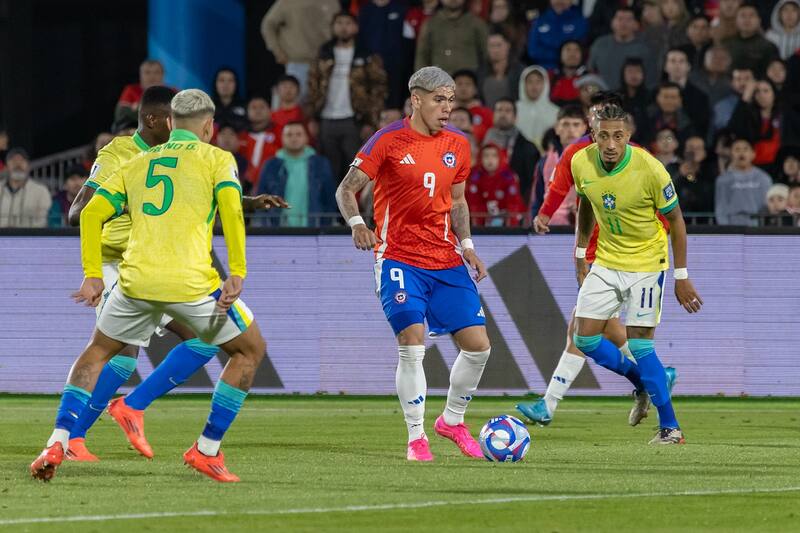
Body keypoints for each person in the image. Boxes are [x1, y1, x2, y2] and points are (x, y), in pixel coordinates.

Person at [30, 89, 270, 483]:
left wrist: (91, 273)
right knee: (249, 350)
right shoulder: (216, 158)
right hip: (189, 281)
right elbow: (230, 215)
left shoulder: (139, 163)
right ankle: (206, 449)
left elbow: (89, 215)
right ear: (208, 127)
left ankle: (59, 441)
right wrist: (237, 271)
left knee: (98, 352)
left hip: (135, 278)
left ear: (173, 123)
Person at [335, 67, 491, 462]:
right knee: (412, 342)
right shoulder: (387, 139)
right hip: (398, 257)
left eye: (451, 100)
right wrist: (357, 224)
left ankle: (452, 421)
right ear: (416, 99)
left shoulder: (458, 144)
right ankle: (416, 437)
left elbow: (458, 201)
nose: (448, 107)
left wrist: (468, 246)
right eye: (439, 99)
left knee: (478, 348)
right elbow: (346, 189)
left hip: (445, 258)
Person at [518, 94, 676, 428]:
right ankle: (654, 376)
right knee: (595, 328)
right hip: (597, 249)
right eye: (594, 121)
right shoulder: (578, 156)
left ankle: (549, 403)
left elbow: (661, 209)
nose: (606, 136)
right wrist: (549, 219)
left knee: (584, 328)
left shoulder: (634, 157)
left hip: (623, 252)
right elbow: (573, 196)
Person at [571, 104, 701, 445]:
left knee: (641, 344)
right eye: (603, 136)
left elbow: (676, 221)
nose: (611, 144)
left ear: (628, 135)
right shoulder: (580, 162)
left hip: (646, 264)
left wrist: (681, 275)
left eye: (618, 136)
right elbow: (586, 203)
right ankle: (641, 383)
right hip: (607, 260)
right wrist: (581, 252)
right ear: (593, 136)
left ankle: (671, 427)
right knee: (584, 339)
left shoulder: (650, 169)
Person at [307, 11, 388, 182]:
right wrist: (312, 116)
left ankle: (352, 200)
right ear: (333, 27)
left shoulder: (366, 55)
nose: (343, 28)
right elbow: (313, 85)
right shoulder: (324, 53)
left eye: (348, 23)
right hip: (327, 118)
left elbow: (378, 89)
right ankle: (331, 200)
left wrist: (370, 121)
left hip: (354, 119)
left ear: (356, 27)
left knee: (355, 169)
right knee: (329, 170)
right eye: (339, 23)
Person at [257, 121, 337, 227]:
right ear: (282, 138)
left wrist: (325, 227)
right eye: (289, 135)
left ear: (306, 138)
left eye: (298, 134)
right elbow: (261, 201)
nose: (294, 138)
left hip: (314, 229)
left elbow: (330, 199)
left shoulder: (320, 164)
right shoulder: (271, 165)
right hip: (278, 230)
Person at [261, 0, 340, 99]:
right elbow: (268, 25)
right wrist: (277, 51)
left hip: (328, 63)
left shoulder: (332, 2)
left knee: (329, 103)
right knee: (297, 102)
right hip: (299, 63)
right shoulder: (288, 2)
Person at [529, 105, 587, 223]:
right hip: (551, 227)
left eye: (576, 125)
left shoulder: (594, 158)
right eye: (565, 124)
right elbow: (537, 199)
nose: (571, 130)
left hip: (584, 226)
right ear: (557, 128)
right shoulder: (545, 161)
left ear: (584, 128)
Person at [484, 98, 541, 204]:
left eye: (507, 111)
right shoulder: (483, 141)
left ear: (515, 118)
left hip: (516, 203)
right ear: (493, 115)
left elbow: (532, 183)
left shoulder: (528, 149)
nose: (503, 114)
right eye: (499, 110)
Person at [587, 7, 657, 91]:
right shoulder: (599, 44)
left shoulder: (645, 49)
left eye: (628, 20)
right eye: (619, 19)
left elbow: (651, 81)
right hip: (603, 96)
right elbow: (590, 74)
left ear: (635, 24)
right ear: (612, 22)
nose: (623, 24)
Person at [414, 0, 488, 75]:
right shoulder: (430, 24)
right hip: (439, 79)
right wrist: (422, 79)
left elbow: (486, 54)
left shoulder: (477, 23)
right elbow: (421, 56)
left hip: (469, 79)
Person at [357, 0, 407, 108]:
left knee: (393, 108)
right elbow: (359, 40)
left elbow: (408, 42)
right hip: (370, 68)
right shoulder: (365, 11)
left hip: (396, 68)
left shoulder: (401, 8)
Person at [715, 137, 773, 225]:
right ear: (731, 154)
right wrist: (725, 229)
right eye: (737, 149)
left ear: (753, 154)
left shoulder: (763, 178)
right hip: (732, 226)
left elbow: (768, 205)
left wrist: (763, 226)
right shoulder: (723, 180)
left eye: (745, 149)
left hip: (757, 226)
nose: (741, 153)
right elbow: (721, 208)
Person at [465, 143, 525, 226]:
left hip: (506, 222)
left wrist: (511, 229)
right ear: (480, 158)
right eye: (486, 156)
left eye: (494, 156)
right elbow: (474, 204)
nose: (490, 160)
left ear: (500, 158)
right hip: (481, 223)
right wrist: (477, 229)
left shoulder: (509, 176)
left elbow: (513, 205)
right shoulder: (474, 176)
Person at [729, 79, 782, 167]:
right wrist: (745, 99)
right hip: (752, 166)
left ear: (774, 94)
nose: (761, 95)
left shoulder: (783, 115)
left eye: (766, 91)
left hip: (778, 166)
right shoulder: (748, 115)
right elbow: (733, 128)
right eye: (757, 91)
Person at [663, 48, 712, 138]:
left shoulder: (700, 97)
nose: (677, 65)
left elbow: (702, 126)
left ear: (688, 66)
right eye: (673, 61)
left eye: (681, 61)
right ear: (665, 66)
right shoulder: (655, 93)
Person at [527, 0, 588, 71]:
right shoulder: (539, 19)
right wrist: (561, 55)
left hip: (571, 71)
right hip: (544, 70)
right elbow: (533, 51)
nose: (560, 1)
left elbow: (579, 51)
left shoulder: (580, 20)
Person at [723, 4, 780, 77]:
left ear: (759, 20)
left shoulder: (769, 47)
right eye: (743, 16)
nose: (747, 20)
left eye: (751, 16)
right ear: (735, 20)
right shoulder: (725, 45)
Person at [0, 148, 52, 228]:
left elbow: (43, 220)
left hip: (29, 235)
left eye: (22, 160)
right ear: (6, 167)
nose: (18, 164)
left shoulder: (41, 191)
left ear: (28, 166)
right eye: (13, 161)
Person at [476, 30, 525, 109]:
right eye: (492, 46)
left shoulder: (520, 71)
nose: (495, 50)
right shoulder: (480, 72)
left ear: (508, 46)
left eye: (499, 45)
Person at [516, 66, 559, 150]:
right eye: (530, 82)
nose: (534, 86)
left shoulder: (556, 112)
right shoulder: (514, 110)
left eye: (538, 81)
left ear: (545, 84)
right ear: (523, 84)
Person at [240, 96, 279, 189]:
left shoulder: (280, 133)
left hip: (272, 185)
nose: (258, 111)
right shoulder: (240, 136)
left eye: (262, 107)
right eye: (254, 107)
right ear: (247, 112)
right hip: (243, 186)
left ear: (270, 111)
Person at [114, 59, 165, 127]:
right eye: (147, 72)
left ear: (163, 74)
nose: (152, 76)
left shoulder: (172, 91)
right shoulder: (131, 90)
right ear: (140, 75)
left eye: (156, 72)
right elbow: (121, 115)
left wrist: (138, 108)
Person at [675, 135, 717, 213]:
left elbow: (708, 197)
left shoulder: (710, 172)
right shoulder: (674, 168)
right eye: (691, 147)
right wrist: (680, 175)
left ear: (704, 153)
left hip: (705, 217)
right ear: (684, 151)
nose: (694, 151)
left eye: (698, 148)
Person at [453, 70, 493, 144]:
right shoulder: (444, 112)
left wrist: (472, 129)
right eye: (459, 84)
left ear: (475, 89)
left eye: (468, 84)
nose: (463, 88)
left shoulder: (487, 113)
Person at [549, 40, 587, 106]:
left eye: (576, 50)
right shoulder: (550, 77)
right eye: (568, 50)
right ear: (560, 54)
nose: (572, 54)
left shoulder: (590, 78)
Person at [211, 67, 247, 132]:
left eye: (230, 80)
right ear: (215, 83)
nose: (226, 84)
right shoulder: (207, 107)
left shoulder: (246, 106)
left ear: (236, 84)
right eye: (222, 80)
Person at [271, 75, 305, 142]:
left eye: (291, 86)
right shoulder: (270, 116)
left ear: (298, 90)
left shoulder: (304, 115)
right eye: (284, 87)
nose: (288, 90)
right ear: (277, 90)